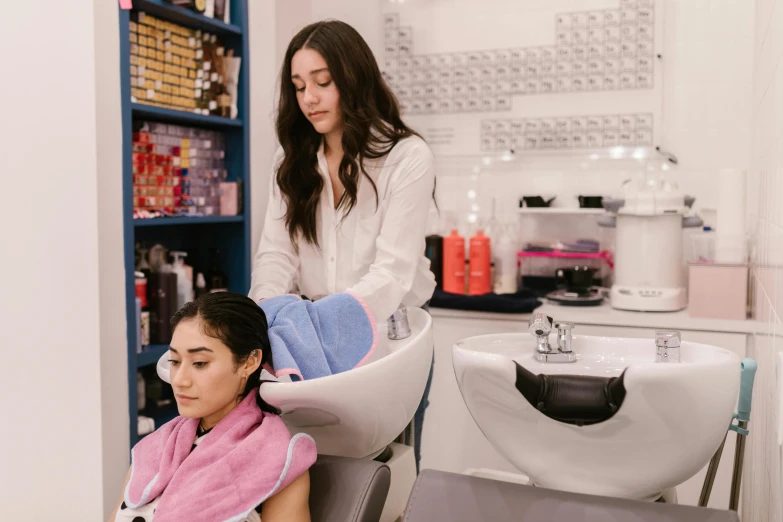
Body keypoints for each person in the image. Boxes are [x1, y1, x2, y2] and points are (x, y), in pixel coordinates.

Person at [249, 20, 436, 472]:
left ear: (353, 79)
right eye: (298, 87)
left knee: (385, 475)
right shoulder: (290, 162)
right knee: (314, 475)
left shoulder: (405, 157)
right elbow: (276, 255)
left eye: (323, 82)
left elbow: (393, 273)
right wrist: (258, 322)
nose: (308, 98)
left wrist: (320, 322)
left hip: (389, 340)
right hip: (311, 347)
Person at [109, 293, 314, 522]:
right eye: (175, 362)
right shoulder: (154, 450)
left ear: (249, 362)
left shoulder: (276, 461)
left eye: (199, 363)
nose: (179, 380)